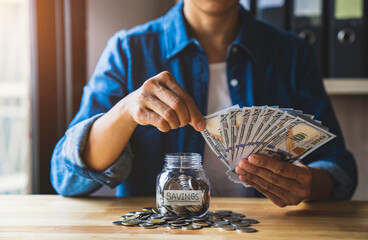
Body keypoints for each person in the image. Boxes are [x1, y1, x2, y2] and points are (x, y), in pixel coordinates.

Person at [51, 0, 357, 207]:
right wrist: (125, 111)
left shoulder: (294, 54)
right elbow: (65, 177)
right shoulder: (127, 50)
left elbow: (338, 166)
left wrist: (311, 184)